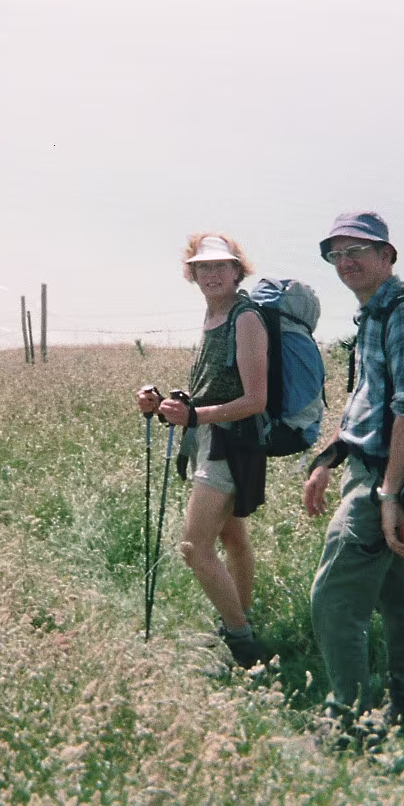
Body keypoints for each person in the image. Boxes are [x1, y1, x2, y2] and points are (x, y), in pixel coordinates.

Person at [301, 211, 404, 739]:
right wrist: (329, 458)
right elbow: (371, 405)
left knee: (333, 598)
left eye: (357, 250)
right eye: (336, 254)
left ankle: (348, 719)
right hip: (375, 474)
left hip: (386, 481)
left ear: (387, 255)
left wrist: (388, 495)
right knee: (398, 597)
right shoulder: (375, 315)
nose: (345, 262)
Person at [135, 233, 270, 668]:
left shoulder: (245, 319)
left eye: (220, 266)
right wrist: (166, 405)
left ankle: (241, 642)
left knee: (193, 548)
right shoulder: (214, 315)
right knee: (232, 539)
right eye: (203, 267)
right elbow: (215, 389)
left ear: (237, 270)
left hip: (232, 444)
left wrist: (193, 416)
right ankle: (240, 619)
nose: (211, 274)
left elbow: (256, 400)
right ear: (192, 274)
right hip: (213, 439)